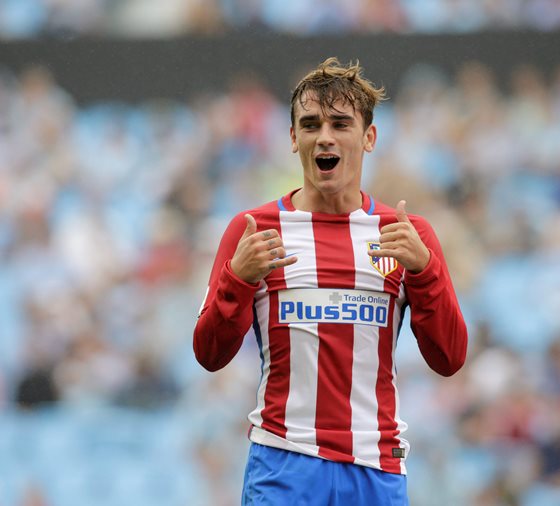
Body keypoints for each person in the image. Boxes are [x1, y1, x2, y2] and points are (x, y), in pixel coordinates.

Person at [193, 57, 468, 505]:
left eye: (341, 123)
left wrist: (425, 272)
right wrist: (236, 281)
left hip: (374, 466)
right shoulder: (254, 230)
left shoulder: (404, 234)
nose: (325, 136)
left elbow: (450, 358)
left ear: (369, 137)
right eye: (310, 124)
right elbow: (209, 354)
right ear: (293, 139)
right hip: (284, 463)